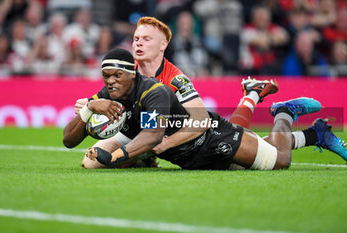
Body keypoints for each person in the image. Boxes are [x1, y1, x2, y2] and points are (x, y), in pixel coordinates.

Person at [62, 48, 347, 171]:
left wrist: (117, 157)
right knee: (258, 147)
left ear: (132, 75)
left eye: (116, 76)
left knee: (280, 160)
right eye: (106, 77)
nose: (110, 82)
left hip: (210, 138)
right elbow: (68, 140)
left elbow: (153, 136)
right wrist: (88, 108)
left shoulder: (154, 91)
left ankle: (286, 113)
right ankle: (311, 132)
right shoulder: (107, 94)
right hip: (189, 158)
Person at [74, 17, 279, 168]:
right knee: (90, 163)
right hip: (138, 131)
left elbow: (201, 120)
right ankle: (143, 157)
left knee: (251, 151)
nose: (138, 43)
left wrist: (165, 144)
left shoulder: (175, 79)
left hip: (174, 137)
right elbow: (105, 96)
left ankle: (254, 99)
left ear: (163, 45)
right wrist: (88, 106)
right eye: (136, 38)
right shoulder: (127, 72)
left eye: (146, 39)